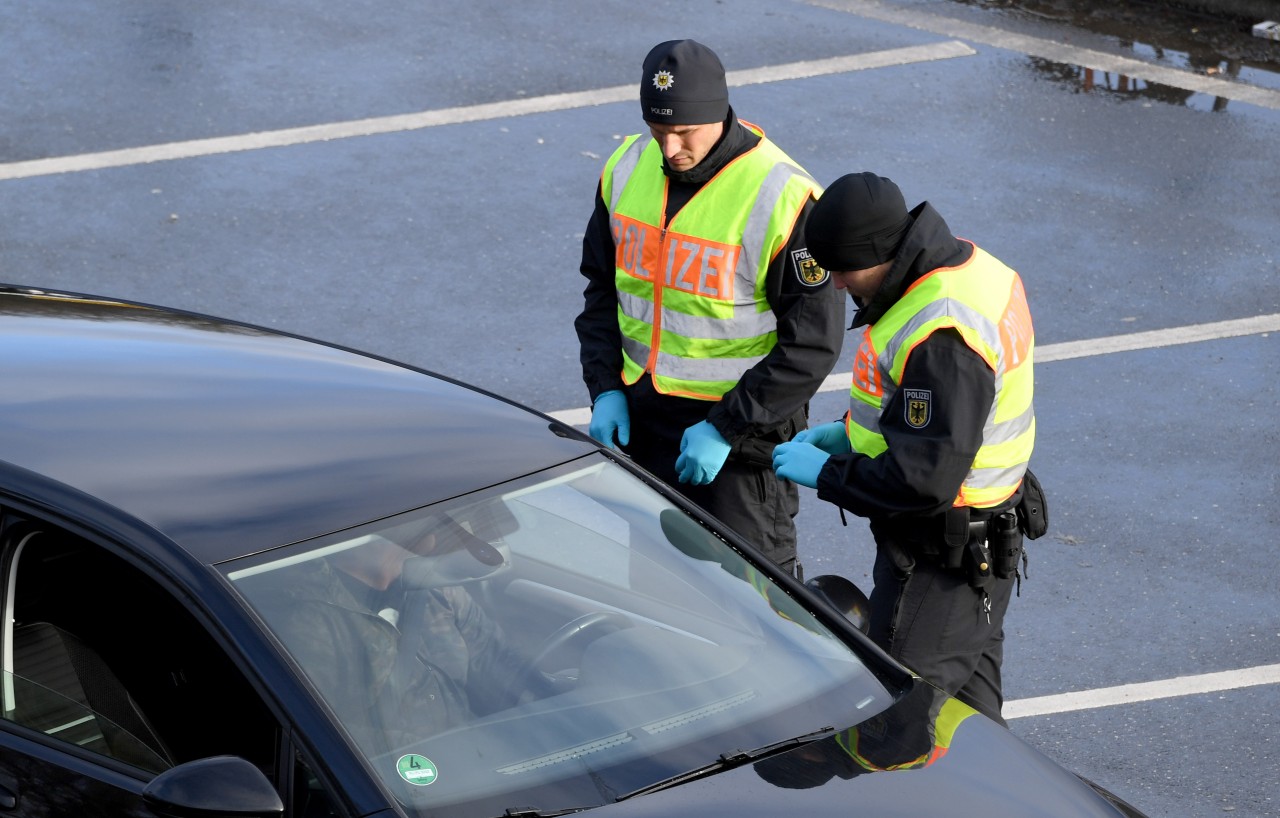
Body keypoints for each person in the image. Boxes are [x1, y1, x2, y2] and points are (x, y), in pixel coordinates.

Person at [771, 172, 1039, 725]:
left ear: (876, 253)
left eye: (843, 270)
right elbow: (930, 415)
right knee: (973, 728)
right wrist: (852, 432)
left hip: (942, 561)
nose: (839, 286)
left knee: (901, 727)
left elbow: (924, 480)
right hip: (978, 552)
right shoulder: (969, 270)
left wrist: (830, 473)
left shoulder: (941, 330)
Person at [575, 39, 845, 576]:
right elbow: (602, 292)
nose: (670, 147)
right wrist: (604, 386)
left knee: (755, 607)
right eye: (659, 131)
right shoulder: (626, 167)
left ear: (719, 114)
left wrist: (725, 426)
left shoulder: (783, 197)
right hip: (645, 425)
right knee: (660, 597)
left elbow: (812, 346)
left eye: (684, 132)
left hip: (739, 443)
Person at [261, 518, 524, 751]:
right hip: (405, 788)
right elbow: (317, 736)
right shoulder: (308, 622)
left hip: (481, 766)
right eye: (424, 515)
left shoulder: (437, 591)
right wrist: (453, 752)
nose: (441, 523)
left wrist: (555, 708)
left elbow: (501, 665)